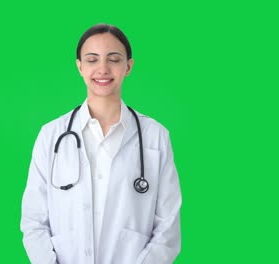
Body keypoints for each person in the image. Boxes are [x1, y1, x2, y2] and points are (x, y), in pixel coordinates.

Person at [20, 23, 182, 264]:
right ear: (80, 67)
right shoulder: (51, 135)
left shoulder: (155, 136)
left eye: (114, 59)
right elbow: (34, 221)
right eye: (92, 59)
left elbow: (168, 228)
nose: (103, 69)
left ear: (128, 66)